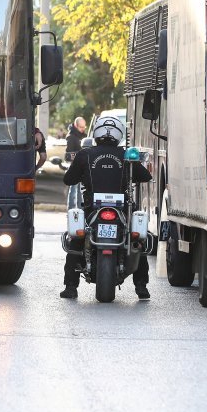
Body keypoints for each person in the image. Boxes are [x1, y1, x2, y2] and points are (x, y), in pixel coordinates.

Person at [60, 115, 152, 300]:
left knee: (76, 240)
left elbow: (68, 179)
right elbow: (146, 176)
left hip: (92, 209)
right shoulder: (126, 155)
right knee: (137, 241)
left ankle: (71, 287)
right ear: (118, 134)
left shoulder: (85, 154)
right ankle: (141, 287)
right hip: (122, 210)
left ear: (96, 133)